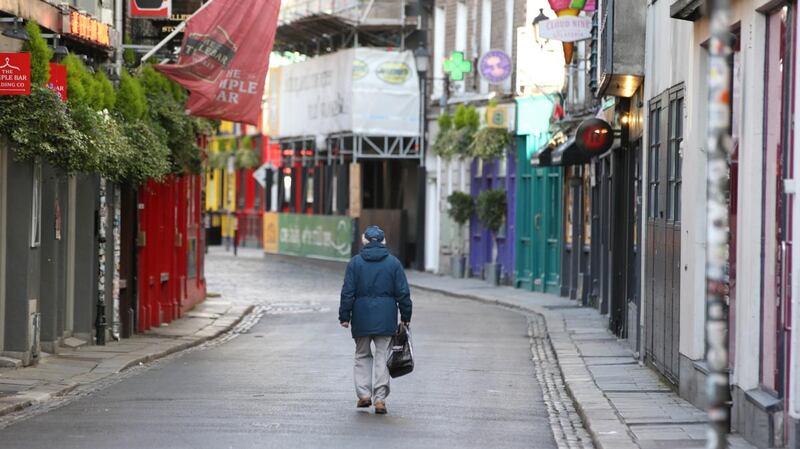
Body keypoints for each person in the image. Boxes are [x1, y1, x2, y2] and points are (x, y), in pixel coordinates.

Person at [339, 225, 412, 415]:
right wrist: (406, 317)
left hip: (361, 317)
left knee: (362, 354)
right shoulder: (394, 263)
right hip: (386, 318)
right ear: (383, 241)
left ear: (364, 240)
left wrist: (344, 316)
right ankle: (380, 399)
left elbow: (347, 292)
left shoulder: (355, 263)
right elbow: (403, 293)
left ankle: (364, 395)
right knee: (382, 356)